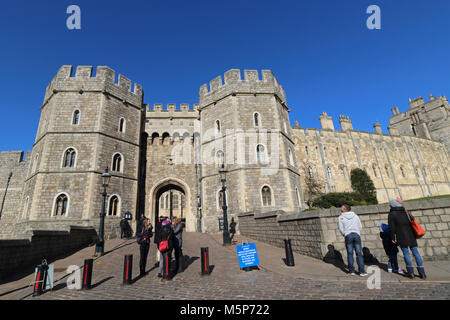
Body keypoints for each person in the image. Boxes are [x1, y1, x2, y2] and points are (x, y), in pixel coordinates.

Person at [388, 199, 426, 279]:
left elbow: (392, 227)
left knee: (406, 254)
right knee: (416, 253)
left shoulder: (392, 214)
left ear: (392, 205)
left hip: (401, 236)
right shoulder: (405, 211)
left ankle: (411, 273)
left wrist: (392, 237)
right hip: (411, 235)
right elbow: (412, 221)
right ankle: (422, 273)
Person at [338, 204, 368, 276]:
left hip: (348, 235)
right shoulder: (355, 216)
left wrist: (345, 234)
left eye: (342, 207)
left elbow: (341, 228)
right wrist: (358, 233)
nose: (341, 208)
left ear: (345, 209)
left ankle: (351, 271)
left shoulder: (341, 217)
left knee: (350, 253)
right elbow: (360, 226)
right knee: (359, 253)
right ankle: (362, 272)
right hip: (356, 234)